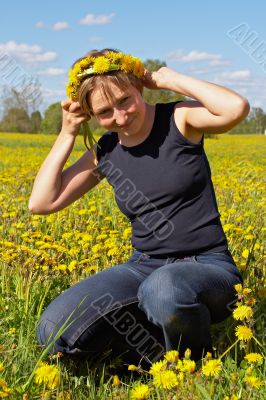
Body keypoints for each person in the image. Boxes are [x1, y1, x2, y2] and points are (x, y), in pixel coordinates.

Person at [29, 48, 249, 366]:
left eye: (124, 100)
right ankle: (150, 353)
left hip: (208, 266)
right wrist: (67, 132)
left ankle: (196, 366)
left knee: (164, 289)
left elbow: (236, 108)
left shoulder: (179, 120)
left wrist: (170, 79)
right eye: (105, 112)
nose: (120, 117)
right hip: (144, 266)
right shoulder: (106, 151)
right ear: (91, 114)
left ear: (139, 87)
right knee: (54, 330)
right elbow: (42, 202)